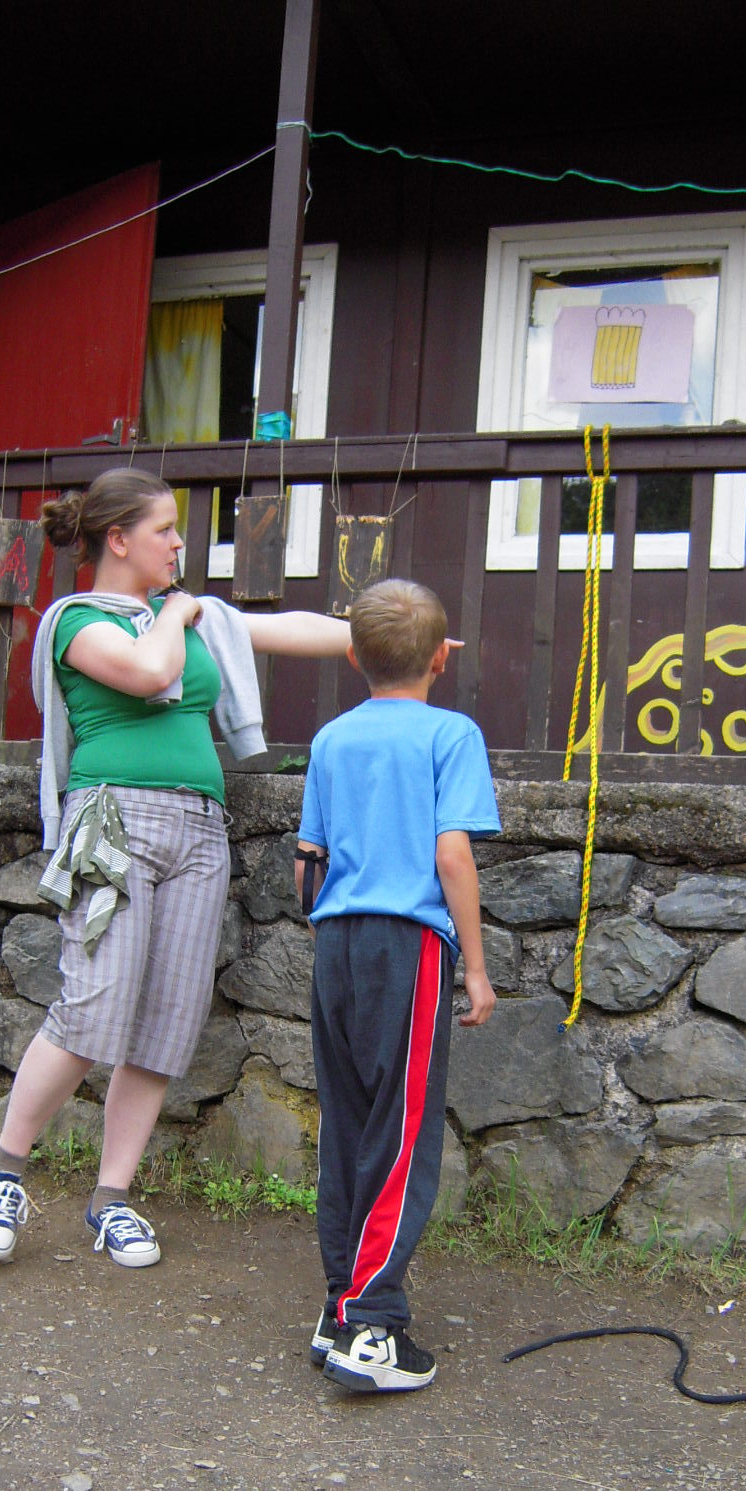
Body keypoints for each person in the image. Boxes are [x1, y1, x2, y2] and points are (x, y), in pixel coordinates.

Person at [0, 466, 352, 1268]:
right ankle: (3, 1170)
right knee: (92, 1010)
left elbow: (283, 629)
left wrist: (380, 636)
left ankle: (111, 1199)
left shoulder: (187, 619)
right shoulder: (78, 621)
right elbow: (149, 674)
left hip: (199, 831)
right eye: (164, 529)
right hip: (114, 823)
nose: (179, 543)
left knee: (166, 1023)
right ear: (117, 539)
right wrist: (176, 612)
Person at [294, 578, 501, 1394]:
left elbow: (308, 860)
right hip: (408, 944)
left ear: (353, 657)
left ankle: (339, 1304)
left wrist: (333, 940)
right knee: (403, 1131)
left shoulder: (332, 738)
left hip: (337, 941)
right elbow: (452, 854)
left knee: (348, 1127)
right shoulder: (452, 734)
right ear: (442, 658)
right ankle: (371, 1325)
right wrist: (474, 966)